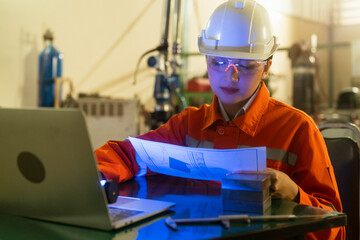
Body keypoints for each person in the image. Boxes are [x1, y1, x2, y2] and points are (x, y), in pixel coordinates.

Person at [95, 1, 344, 239]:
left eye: (245, 66)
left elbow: (334, 227)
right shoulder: (188, 125)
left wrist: (294, 194)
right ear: (206, 60)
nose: (231, 76)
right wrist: (90, 175)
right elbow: (129, 154)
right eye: (220, 62)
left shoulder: (297, 130)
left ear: (267, 67)